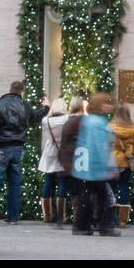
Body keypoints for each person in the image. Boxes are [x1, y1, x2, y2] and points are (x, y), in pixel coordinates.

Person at [0, 80, 48, 226]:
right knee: (15, 183)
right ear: (21, 92)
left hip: (0, 148)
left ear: (10, 90)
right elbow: (37, 117)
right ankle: (13, 217)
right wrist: (46, 107)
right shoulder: (25, 106)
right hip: (17, 148)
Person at [72, 93, 119, 236]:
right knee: (103, 197)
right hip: (94, 167)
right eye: (107, 103)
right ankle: (104, 227)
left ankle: (81, 226)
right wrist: (110, 168)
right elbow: (99, 147)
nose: (110, 106)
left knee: (86, 197)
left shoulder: (88, 120)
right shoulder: (99, 123)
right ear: (99, 105)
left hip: (83, 166)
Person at [38, 97, 69, 226]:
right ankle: (61, 216)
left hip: (50, 151)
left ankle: (47, 215)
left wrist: (46, 106)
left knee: (48, 181)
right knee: (62, 181)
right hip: (63, 151)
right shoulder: (67, 119)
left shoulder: (46, 120)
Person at [57, 96, 87, 229]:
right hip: (83, 161)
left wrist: (64, 163)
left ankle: (75, 217)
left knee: (76, 192)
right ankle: (80, 218)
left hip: (71, 162)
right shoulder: (85, 121)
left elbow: (63, 144)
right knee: (82, 191)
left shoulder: (69, 122)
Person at [111, 101, 134, 227]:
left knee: (111, 191)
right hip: (126, 163)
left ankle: (113, 218)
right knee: (123, 190)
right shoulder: (133, 128)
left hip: (112, 162)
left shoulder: (110, 127)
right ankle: (123, 220)